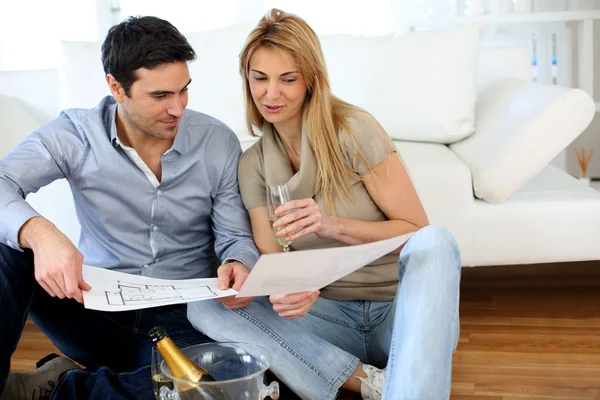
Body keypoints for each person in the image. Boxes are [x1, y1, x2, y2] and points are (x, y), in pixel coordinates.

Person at [187, 8, 462, 400]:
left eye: (288, 79)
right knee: (204, 306)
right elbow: (273, 260)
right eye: (259, 79)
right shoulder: (252, 165)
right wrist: (293, 288)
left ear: (311, 80)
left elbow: (414, 231)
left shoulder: (353, 130)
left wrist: (332, 226)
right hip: (325, 319)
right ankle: (368, 381)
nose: (271, 94)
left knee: (437, 242)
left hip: (399, 314)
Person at [0, 16, 259, 400]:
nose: (177, 108)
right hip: (90, 306)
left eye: (183, 91)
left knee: (228, 380)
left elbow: (236, 238)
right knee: (7, 248)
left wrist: (240, 263)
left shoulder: (216, 141)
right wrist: (38, 232)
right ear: (116, 87)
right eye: (160, 96)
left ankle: (66, 389)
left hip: (181, 319)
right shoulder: (76, 133)